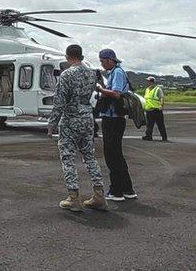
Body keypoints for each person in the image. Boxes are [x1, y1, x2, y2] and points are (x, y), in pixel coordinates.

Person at [47, 45, 108, 212]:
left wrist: (52, 123)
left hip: (71, 119)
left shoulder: (66, 75)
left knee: (68, 158)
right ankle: (99, 194)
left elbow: (59, 102)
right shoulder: (91, 74)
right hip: (87, 118)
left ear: (68, 57)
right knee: (90, 156)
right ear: (81, 56)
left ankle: (74, 197)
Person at [97, 48, 136, 201]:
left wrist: (100, 89)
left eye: (102, 61)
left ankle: (116, 191)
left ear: (109, 60)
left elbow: (117, 94)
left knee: (112, 155)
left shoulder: (117, 72)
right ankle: (127, 189)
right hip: (114, 118)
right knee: (117, 154)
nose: (102, 64)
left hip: (113, 118)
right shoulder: (116, 72)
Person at [142, 76, 168, 141]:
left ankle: (164, 137)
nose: (147, 83)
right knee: (149, 125)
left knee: (160, 124)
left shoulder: (158, 89)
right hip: (149, 110)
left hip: (156, 110)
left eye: (148, 81)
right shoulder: (147, 89)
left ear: (152, 82)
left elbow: (161, 97)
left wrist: (161, 106)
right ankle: (148, 136)